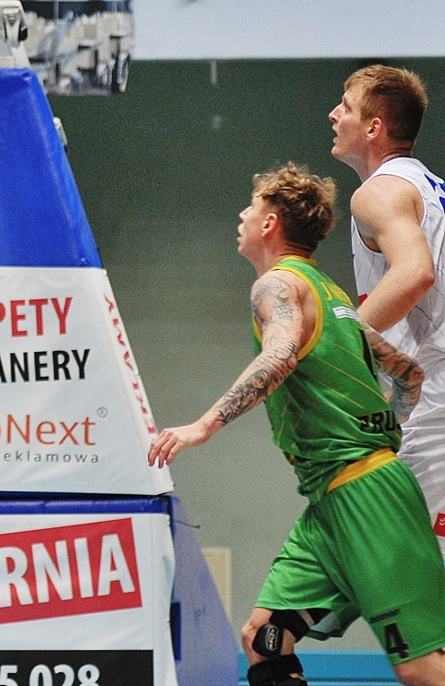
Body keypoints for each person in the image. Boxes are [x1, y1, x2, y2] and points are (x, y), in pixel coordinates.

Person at [149, 163, 445, 686]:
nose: (242, 215)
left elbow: (280, 355)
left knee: (421, 668)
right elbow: (409, 373)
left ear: (269, 223)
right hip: (331, 499)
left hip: (366, 493)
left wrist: (203, 426)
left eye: (251, 206)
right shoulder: (334, 298)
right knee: (263, 639)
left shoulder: (276, 285)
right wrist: (385, 420)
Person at [329, 64, 445, 558]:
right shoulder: (429, 186)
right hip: (427, 392)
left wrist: (338, 340)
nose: (333, 114)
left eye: (346, 106)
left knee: (420, 570)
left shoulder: (378, 191)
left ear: (374, 127)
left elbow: (415, 271)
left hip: (435, 400)